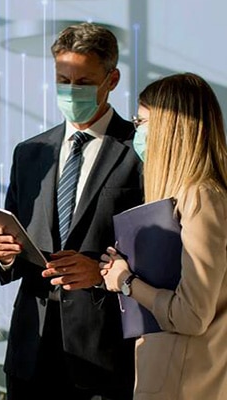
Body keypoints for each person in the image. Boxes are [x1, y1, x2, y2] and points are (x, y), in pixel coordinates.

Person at [0, 22, 143, 399]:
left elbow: (160, 252)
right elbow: (17, 237)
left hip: (105, 351)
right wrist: (3, 253)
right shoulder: (30, 153)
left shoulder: (139, 151)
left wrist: (101, 272)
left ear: (112, 79)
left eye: (83, 81)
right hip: (31, 347)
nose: (71, 91)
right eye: (62, 79)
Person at [100, 72, 227, 399]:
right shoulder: (189, 196)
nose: (136, 131)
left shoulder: (201, 198)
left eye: (141, 121)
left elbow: (192, 316)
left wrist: (127, 282)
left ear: (171, 129)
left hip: (182, 383)